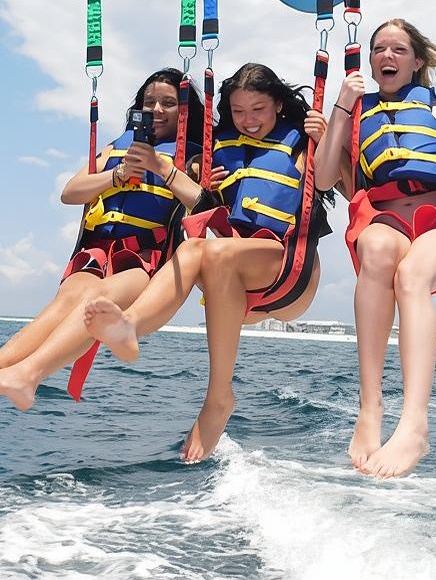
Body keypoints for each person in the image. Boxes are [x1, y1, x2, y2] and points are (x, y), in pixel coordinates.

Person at [85, 62, 329, 463]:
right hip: (233, 280)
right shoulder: (220, 153)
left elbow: (341, 184)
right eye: (238, 111)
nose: (248, 121)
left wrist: (329, 133)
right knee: (204, 250)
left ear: (280, 106)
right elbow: (203, 208)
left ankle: (215, 395)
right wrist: (208, 188)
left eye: (259, 109)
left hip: (289, 271)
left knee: (201, 251)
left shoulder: (304, 144)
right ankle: (129, 329)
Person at [0, 68, 206, 409]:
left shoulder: (193, 157)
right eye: (149, 102)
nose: (157, 110)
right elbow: (70, 192)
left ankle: (28, 375)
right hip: (97, 250)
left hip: (144, 258)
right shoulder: (115, 149)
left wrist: (163, 169)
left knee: (97, 299)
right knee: (66, 299)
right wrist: (116, 176)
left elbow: (204, 203)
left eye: (168, 103)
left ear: (185, 111)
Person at [313, 19, 436, 478]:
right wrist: (341, 106)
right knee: (375, 251)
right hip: (388, 216)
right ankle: (369, 409)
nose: (386, 57)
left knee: (412, 277)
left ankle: (414, 424)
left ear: (416, 61)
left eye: (398, 49)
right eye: (378, 50)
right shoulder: (356, 113)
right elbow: (327, 175)